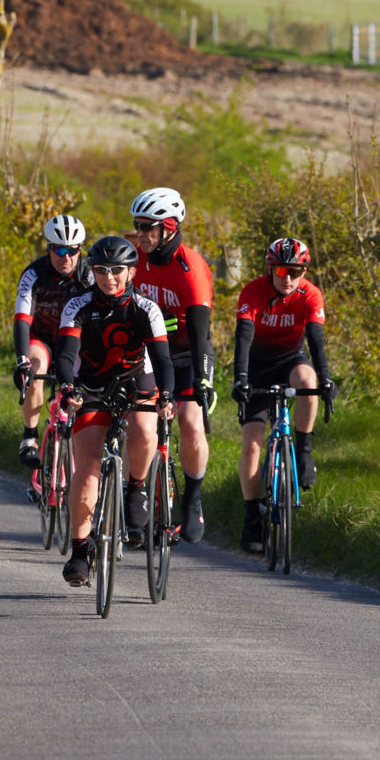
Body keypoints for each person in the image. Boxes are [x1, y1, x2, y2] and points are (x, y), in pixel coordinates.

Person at [54, 236, 174, 586]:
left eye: (117, 271)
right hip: (92, 384)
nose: (109, 278)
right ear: (92, 271)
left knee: (145, 430)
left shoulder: (146, 309)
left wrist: (166, 394)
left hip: (138, 379)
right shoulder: (77, 306)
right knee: (88, 464)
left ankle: (136, 486)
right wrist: (66, 387)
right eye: (102, 270)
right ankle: (79, 550)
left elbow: (163, 359)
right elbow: (65, 355)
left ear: (131, 272)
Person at [231, 237, 337, 554]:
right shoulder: (253, 292)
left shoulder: (310, 294)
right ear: (270, 269)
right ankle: (252, 516)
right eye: (281, 270)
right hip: (257, 367)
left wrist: (327, 378)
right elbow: (244, 337)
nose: (287, 278)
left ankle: (303, 449)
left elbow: (316, 340)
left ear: (303, 271)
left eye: (295, 271)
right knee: (251, 448)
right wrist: (241, 379)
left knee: (308, 379)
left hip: (290, 360)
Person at [128, 187, 215, 543]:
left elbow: (199, 334)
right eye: (137, 225)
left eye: (147, 227)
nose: (141, 234)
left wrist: (201, 386)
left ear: (168, 228)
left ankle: (192, 501)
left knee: (192, 424)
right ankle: (133, 489)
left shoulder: (190, 268)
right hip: (147, 353)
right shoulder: (135, 257)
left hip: (187, 354)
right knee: (139, 423)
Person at [12, 214, 93, 468]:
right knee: (35, 367)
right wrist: (21, 360)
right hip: (43, 338)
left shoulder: (88, 276)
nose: (65, 257)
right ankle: (29, 438)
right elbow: (22, 318)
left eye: (72, 250)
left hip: (75, 340)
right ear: (48, 248)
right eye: (59, 250)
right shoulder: (33, 273)